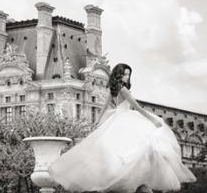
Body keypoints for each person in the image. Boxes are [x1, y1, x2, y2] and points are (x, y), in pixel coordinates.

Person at [48, 63, 196, 193]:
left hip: (115, 119)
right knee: (140, 149)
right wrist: (153, 120)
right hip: (126, 117)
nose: (127, 77)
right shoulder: (123, 90)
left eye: (129, 74)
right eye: (125, 74)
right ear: (119, 75)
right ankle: (137, 181)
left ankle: (123, 181)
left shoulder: (113, 89)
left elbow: (104, 107)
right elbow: (137, 107)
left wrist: (96, 124)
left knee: (121, 153)